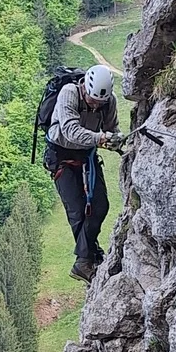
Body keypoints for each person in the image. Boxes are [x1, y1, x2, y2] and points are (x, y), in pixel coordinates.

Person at [44, 64, 123, 285]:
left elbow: (112, 128)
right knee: (77, 211)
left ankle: (86, 258)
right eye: (92, 100)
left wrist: (116, 140)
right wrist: (100, 139)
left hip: (86, 155)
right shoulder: (69, 93)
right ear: (85, 89)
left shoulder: (109, 102)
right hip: (61, 156)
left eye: (100, 102)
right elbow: (70, 130)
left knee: (100, 206)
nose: (96, 104)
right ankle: (85, 260)